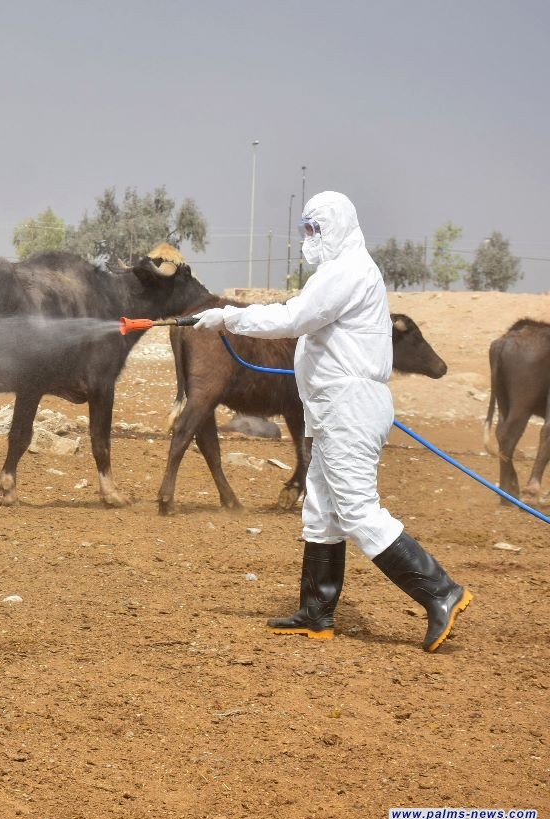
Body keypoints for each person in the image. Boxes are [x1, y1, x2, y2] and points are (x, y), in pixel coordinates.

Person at [193, 191, 471, 652]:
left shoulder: (348, 271)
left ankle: (441, 590)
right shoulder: (341, 272)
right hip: (332, 406)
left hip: (350, 406)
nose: (310, 239)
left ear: (339, 226)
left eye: (317, 229)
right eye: (307, 229)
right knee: (321, 510)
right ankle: (316, 612)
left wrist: (228, 317)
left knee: (358, 510)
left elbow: (296, 316)